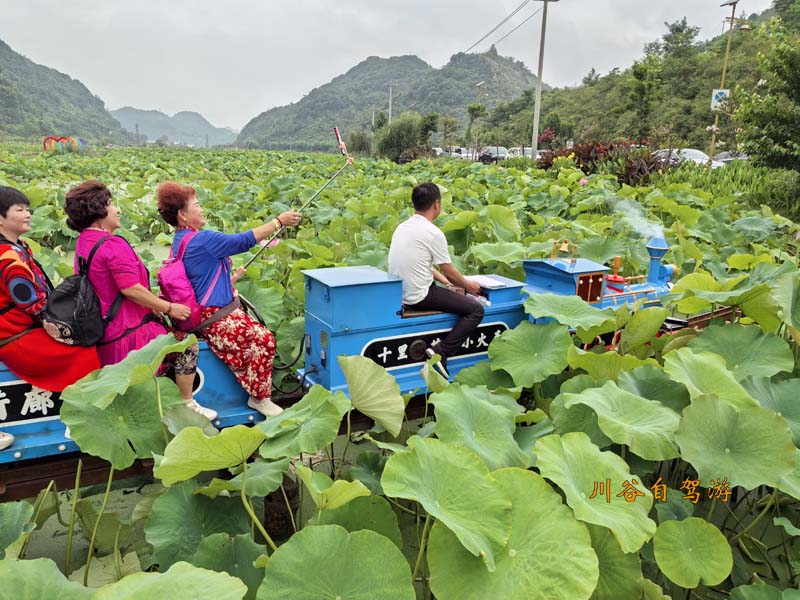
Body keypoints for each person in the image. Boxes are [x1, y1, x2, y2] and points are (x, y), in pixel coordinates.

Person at [63, 181, 209, 419]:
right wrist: (169, 307)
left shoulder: (83, 242)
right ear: (98, 211)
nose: (117, 210)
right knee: (187, 344)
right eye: (111, 204)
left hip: (105, 332)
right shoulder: (112, 244)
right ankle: (186, 402)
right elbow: (131, 288)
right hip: (132, 333)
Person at [156, 182, 302, 417]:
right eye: (196, 205)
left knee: (253, 332)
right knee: (263, 339)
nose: (201, 209)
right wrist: (279, 221)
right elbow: (242, 241)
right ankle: (259, 398)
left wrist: (229, 279)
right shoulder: (203, 240)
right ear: (183, 214)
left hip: (203, 311)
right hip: (212, 316)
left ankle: (251, 385)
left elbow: (196, 278)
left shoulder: (180, 240)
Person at [0, 186, 100, 451]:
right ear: (0, 218)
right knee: (84, 352)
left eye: (28, 209)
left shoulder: (18, 246)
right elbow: (28, 301)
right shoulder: (8, 256)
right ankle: (75, 421)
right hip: (14, 336)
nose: (27, 214)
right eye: (19, 210)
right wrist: (63, 322)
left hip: (24, 328)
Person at [387, 182, 484, 378]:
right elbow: (448, 270)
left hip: (399, 293)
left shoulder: (403, 227)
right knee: (476, 309)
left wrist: (447, 283)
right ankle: (441, 352)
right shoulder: (433, 233)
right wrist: (468, 286)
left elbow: (424, 265)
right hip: (420, 296)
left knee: (451, 293)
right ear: (437, 205)